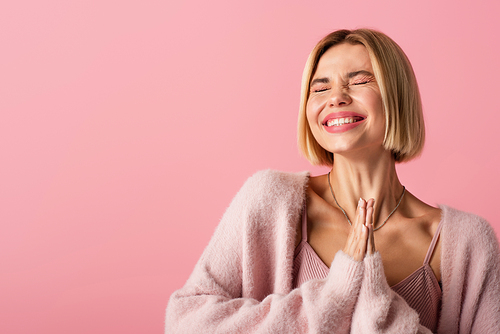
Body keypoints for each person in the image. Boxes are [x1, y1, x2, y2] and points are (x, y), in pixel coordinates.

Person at [165, 29, 500, 333]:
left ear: (397, 96)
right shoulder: (270, 199)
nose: (335, 97)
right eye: (320, 87)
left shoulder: (468, 242)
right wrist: (337, 292)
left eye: (358, 81)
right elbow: (186, 322)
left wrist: (373, 296)